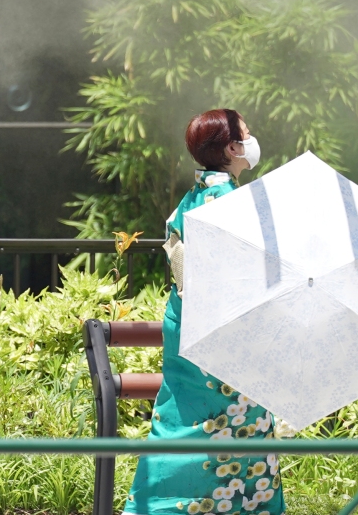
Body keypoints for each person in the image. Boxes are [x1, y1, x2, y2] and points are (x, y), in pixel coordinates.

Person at [124, 109, 284, 515]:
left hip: (187, 321)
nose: (252, 139)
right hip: (226, 330)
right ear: (232, 147)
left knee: (180, 419)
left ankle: (157, 505)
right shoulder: (233, 201)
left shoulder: (193, 196)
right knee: (240, 425)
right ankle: (241, 508)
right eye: (247, 133)